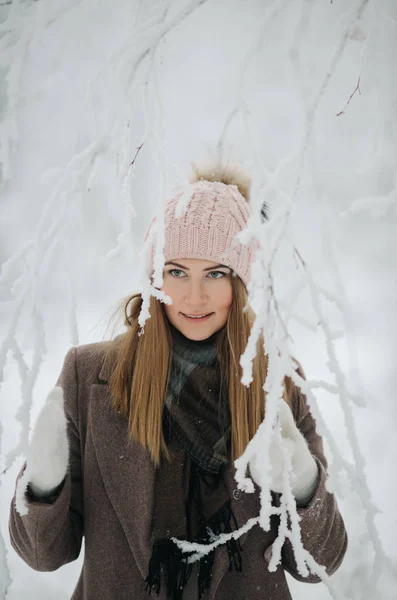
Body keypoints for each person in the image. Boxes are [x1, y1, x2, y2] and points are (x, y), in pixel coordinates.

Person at [9, 164, 348, 600]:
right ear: (155, 277)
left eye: (215, 273)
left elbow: (320, 562)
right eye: (177, 271)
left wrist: (302, 485)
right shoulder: (88, 376)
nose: (194, 296)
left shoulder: (276, 379)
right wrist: (43, 485)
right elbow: (45, 555)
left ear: (241, 282)